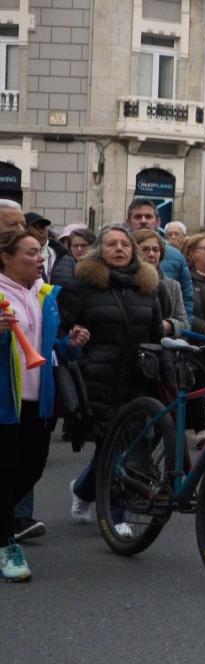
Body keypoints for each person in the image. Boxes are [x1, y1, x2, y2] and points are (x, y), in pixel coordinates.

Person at [61, 225, 162, 526]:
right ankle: (118, 517)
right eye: (111, 244)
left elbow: (155, 336)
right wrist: (74, 340)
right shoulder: (81, 286)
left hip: (136, 380)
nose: (119, 249)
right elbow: (64, 328)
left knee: (123, 445)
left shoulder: (147, 288)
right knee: (111, 445)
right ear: (99, 251)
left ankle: (83, 489)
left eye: (125, 245)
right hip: (98, 380)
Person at [0, 230, 85, 579]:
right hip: (5, 401)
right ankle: (8, 548)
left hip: (39, 400)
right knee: (5, 474)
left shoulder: (45, 294)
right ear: (5, 258)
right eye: (31, 252)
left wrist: (70, 344)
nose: (40, 258)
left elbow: (45, 348)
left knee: (32, 468)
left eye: (40, 253)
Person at [127, 199, 195, 325]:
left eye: (148, 217)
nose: (143, 221)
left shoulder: (176, 255)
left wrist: (177, 328)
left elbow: (187, 299)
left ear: (158, 221)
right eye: (138, 217)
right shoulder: (118, 253)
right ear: (128, 222)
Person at [133, 229, 188, 338]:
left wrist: (169, 325)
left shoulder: (173, 286)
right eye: (145, 249)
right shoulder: (126, 281)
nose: (151, 254)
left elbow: (184, 325)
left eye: (155, 250)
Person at [24, 214, 57, 282]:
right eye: (35, 228)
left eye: (43, 227)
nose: (41, 232)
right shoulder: (17, 255)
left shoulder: (59, 254)